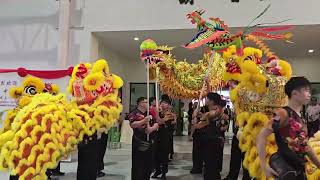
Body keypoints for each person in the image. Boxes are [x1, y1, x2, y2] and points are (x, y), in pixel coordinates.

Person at [257, 77, 320, 179]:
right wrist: (264, 165)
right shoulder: (283, 113)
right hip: (285, 169)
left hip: (299, 168)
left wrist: (318, 164)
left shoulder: (301, 118)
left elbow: (305, 146)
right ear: (294, 93)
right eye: (306, 90)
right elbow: (261, 136)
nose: (309, 94)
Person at [198, 92, 228, 180]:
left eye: (207, 98)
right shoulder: (208, 111)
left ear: (212, 101)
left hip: (214, 140)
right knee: (207, 163)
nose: (205, 100)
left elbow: (210, 117)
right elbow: (199, 125)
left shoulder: (216, 110)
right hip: (207, 139)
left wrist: (203, 117)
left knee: (212, 164)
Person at [129, 97, 159, 180]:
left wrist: (152, 129)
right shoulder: (134, 113)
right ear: (141, 103)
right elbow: (132, 124)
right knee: (138, 164)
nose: (148, 104)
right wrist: (144, 121)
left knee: (148, 164)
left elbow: (156, 124)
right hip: (139, 141)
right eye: (146, 102)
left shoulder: (149, 113)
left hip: (150, 140)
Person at [152, 96, 176, 179]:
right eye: (162, 103)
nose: (163, 104)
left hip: (165, 136)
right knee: (155, 153)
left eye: (165, 103)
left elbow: (160, 121)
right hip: (157, 135)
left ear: (169, 105)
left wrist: (158, 117)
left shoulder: (170, 114)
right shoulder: (158, 112)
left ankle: (164, 172)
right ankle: (157, 170)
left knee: (164, 154)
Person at [190, 105, 207, 174]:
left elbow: (195, 127)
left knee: (198, 153)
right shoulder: (198, 119)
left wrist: (191, 134)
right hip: (198, 136)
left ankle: (197, 167)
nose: (199, 114)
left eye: (200, 112)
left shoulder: (204, 120)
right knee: (197, 153)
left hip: (201, 137)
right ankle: (197, 166)